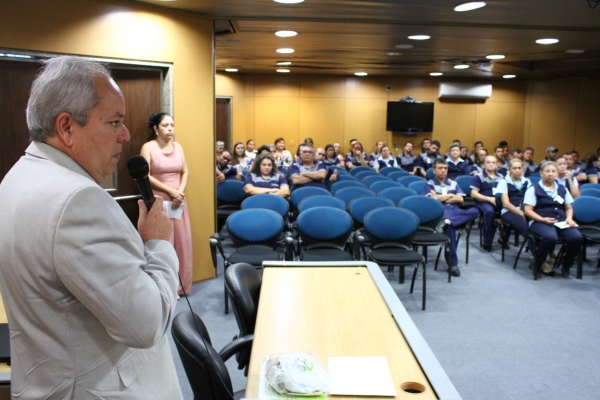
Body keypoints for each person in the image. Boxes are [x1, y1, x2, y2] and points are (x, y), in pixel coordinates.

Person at [0, 56, 182, 398]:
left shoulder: (15, 178)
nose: (125, 135)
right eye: (114, 122)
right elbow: (146, 323)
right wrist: (158, 244)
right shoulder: (77, 199)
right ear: (67, 127)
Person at [141, 112, 193, 296]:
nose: (170, 129)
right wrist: (170, 191)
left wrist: (179, 191)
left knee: (182, 241)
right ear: (156, 128)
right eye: (165, 125)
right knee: (164, 243)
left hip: (178, 199)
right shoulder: (148, 147)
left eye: (172, 125)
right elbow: (145, 175)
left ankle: (182, 286)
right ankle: (166, 288)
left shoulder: (178, 147)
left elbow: (185, 172)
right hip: (160, 199)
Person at [524, 161, 583, 278]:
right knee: (550, 237)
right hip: (540, 221)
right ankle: (538, 263)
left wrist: (569, 219)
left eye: (553, 171)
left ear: (557, 174)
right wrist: (542, 219)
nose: (550, 174)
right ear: (541, 173)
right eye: (547, 171)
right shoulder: (533, 189)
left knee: (577, 238)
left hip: (561, 221)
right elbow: (528, 210)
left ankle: (566, 265)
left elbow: (568, 207)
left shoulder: (562, 189)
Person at [423, 158, 479, 277]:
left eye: (445, 168)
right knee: (450, 229)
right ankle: (453, 264)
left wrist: (440, 197)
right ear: (434, 170)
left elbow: (461, 199)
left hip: (455, 211)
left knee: (474, 210)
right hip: (441, 211)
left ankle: (448, 222)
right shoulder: (430, 183)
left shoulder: (453, 183)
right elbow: (432, 200)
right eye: (440, 168)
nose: (443, 171)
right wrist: (449, 195)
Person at [497, 159, 532, 251]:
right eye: (514, 168)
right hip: (509, 210)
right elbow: (506, 204)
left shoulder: (527, 182)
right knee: (525, 229)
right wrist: (520, 213)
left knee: (538, 225)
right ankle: (538, 259)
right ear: (509, 169)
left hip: (525, 209)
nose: (517, 170)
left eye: (519, 168)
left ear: (522, 169)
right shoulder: (503, 182)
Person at [470, 155, 503, 251]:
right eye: (488, 162)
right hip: (483, 202)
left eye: (493, 162)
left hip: (499, 202)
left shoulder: (501, 177)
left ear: (497, 165)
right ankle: (487, 241)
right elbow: (473, 194)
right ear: (484, 165)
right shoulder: (479, 177)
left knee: (510, 211)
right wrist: (489, 199)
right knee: (489, 212)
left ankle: (503, 239)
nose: (491, 164)